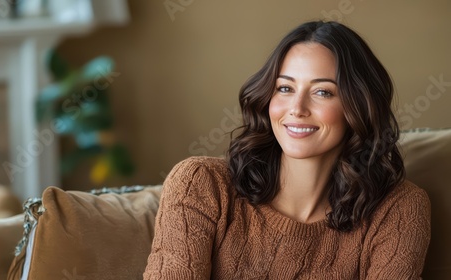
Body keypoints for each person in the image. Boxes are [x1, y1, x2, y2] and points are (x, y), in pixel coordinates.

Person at [143, 21, 431, 279]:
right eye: (284, 88)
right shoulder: (200, 183)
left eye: (322, 92)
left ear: (359, 106)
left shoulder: (399, 209)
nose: (297, 108)